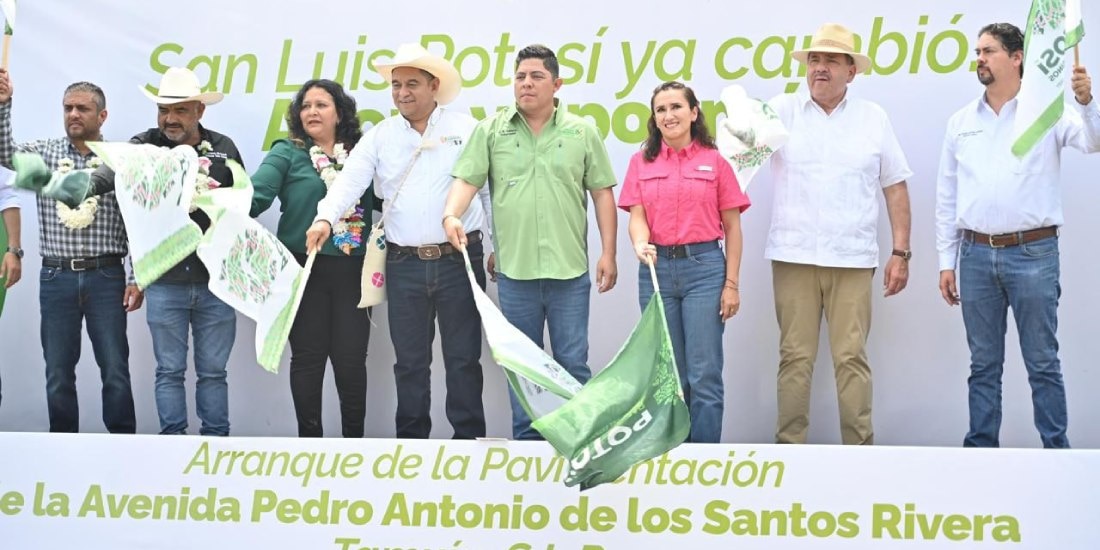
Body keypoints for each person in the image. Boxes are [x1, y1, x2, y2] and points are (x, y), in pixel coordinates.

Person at [306, 44, 491, 439]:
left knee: (463, 359)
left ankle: (471, 446)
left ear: (434, 86)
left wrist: (499, 248)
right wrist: (324, 218)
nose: (402, 92)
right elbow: (350, 182)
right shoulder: (381, 136)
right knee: (409, 363)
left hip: (460, 260)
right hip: (404, 264)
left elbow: (486, 192)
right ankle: (411, 449)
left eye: (411, 84)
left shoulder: (466, 129)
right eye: (395, 85)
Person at [442, 44, 618, 440]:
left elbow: (602, 193)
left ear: (557, 84)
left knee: (573, 362)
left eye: (536, 76)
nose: (526, 83)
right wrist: (452, 213)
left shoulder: (581, 131)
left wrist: (609, 252)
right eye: (520, 76)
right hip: (515, 274)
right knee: (523, 367)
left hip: (569, 272)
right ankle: (527, 447)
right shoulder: (491, 130)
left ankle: (578, 442)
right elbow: (467, 180)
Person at [936, 23, 1098, 449]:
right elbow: (947, 196)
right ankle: (980, 453)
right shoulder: (960, 122)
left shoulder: (1048, 110)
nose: (980, 59)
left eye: (988, 51)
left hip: (1034, 254)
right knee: (983, 365)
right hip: (973, 255)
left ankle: (1056, 452)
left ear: (1017, 57)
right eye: (978, 52)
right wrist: (944, 261)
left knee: (1042, 361)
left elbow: (1094, 142)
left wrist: (1086, 102)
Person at [766, 23, 913, 445]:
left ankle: (860, 452)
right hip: (793, 255)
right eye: (814, 59)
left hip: (851, 258)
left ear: (852, 71)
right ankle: (788, 452)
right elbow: (735, 161)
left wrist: (901, 251)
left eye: (831, 60)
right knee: (795, 358)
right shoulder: (779, 111)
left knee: (851, 358)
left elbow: (895, 185)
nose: (820, 68)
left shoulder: (873, 118)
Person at [88, 67, 244, 436]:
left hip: (215, 283)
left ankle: (215, 448)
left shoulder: (224, 148)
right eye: (163, 110)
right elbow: (107, 179)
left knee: (213, 373)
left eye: (180, 111)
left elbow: (243, 207)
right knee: (169, 371)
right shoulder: (142, 146)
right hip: (164, 282)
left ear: (199, 112)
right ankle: (171, 448)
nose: (170, 119)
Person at [0, 70, 140, 433]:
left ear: (102, 116)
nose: (73, 115)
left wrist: (135, 277)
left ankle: (124, 444)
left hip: (107, 275)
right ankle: (62, 445)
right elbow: (4, 155)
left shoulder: (119, 158)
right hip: (56, 276)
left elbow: (138, 223)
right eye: (67, 108)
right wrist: (3, 105)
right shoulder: (44, 153)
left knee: (115, 369)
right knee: (58, 371)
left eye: (82, 108)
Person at [619, 81, 749, 443]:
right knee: (667, 373)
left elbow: (733, 229)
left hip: (705, 270)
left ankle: (703, 459)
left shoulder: (716, 162)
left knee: (704, 373)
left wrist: (732, 284)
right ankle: (672, 455)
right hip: (656, 271)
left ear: (694, 113)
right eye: (660, 109)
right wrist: (640, 242)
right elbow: (637, 216)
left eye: (676, 107)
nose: (668, 115)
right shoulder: (640, 162)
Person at [253, 79, 371, 438]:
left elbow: (391, 196)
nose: (311, 112)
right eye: (305, 106)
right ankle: (310, 446)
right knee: (308, 358)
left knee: (351, 362)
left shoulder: (362, 154)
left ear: (340, 113)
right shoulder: (287, 151)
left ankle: (356, 447)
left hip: (354, 269)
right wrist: (214, 205)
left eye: (321, 105)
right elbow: (257, 195)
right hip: (303, 270)